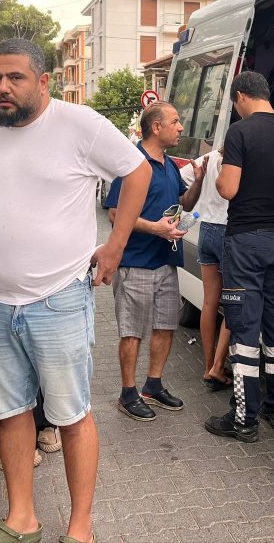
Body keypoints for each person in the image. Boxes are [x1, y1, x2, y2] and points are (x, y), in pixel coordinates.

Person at [0, 38, 150, 543]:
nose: (2, 88)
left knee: (71, 417)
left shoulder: (80, 125)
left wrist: (115, 245)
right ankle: (22, 519)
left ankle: (80, 528)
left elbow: (138, 170)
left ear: (44, 81)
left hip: (60, 300)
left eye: (15, 78)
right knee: (11, 414)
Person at [204, 71, 274, 444]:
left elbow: (228, 189)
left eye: (236, 103)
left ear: (242, 97)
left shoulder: (240, 132)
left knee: (244, 327)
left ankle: (243, 419)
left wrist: (218, 177)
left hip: (246, 240)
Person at [103, 101, 204, 422]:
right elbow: (116, 214)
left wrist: (199, 182)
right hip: (136, 262)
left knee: (165, 326)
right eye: (175, 121)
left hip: (165, 261)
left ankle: (153, 385)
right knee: (132, 332)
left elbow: (184, 202)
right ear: (156, 127)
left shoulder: (169, 165)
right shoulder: (132, 164)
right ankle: (128, 393)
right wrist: (155, 228)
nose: (181, 127)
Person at [180, 146, 231, 391]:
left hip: (207, 228)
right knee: (233, 302)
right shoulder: (242, 156)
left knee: (210, 302)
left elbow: (183, 175)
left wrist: (201, 187)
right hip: (229, 231)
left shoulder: (211, 157)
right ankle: (217, 367)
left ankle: (208, 364)